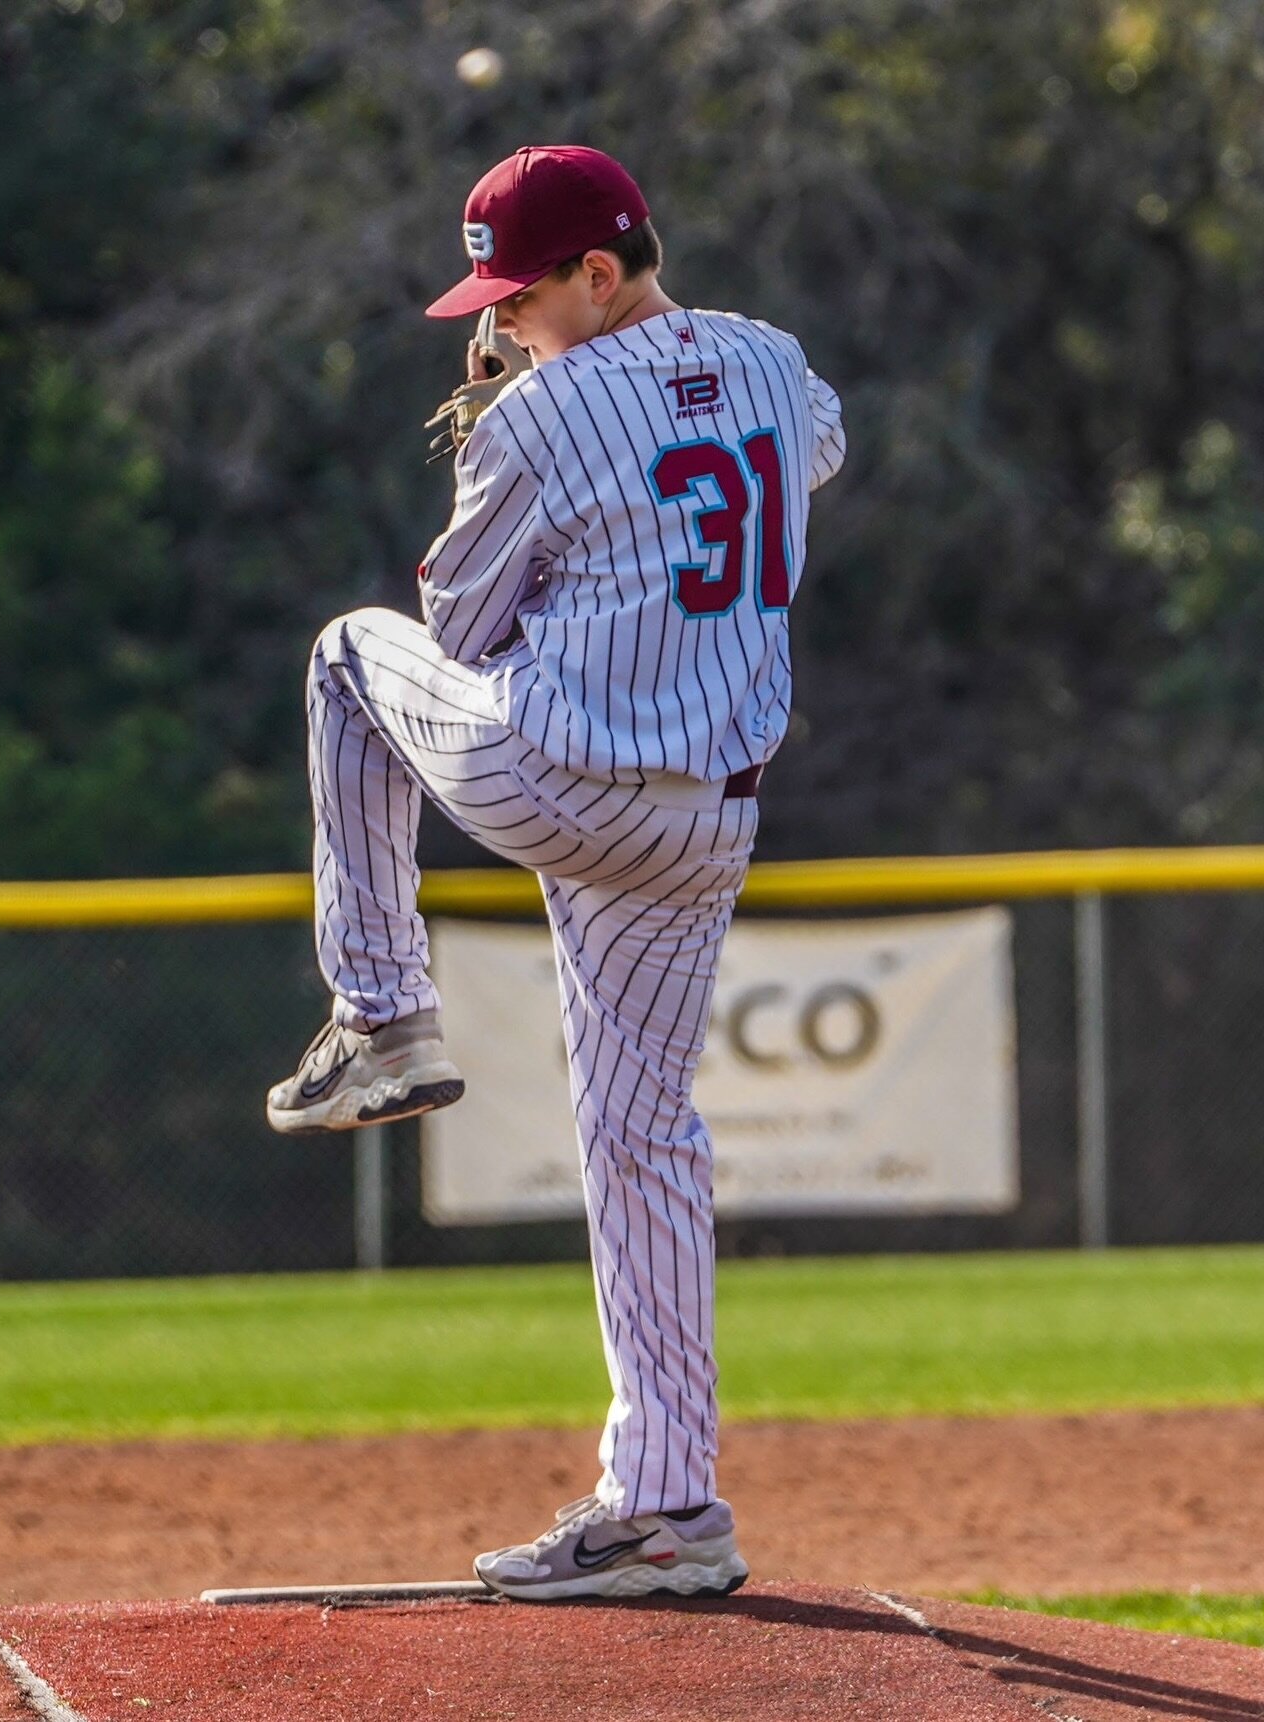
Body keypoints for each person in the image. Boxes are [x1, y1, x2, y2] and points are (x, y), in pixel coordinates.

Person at [266, 145, 845, 1601]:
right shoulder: (778, 358)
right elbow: (814, 443)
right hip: (704, 822)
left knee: (349, 657)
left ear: (601, 270)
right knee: (644, 1143)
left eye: (518, 294)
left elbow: (453, 636)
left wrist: (520, 439)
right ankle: (669, 1508)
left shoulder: (537, 412)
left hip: (557, 777)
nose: (500, 323)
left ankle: (383, 1012)